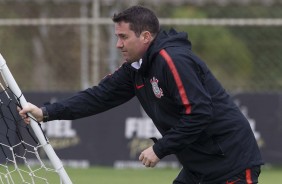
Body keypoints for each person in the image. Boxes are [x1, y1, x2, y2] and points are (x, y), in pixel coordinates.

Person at [19, 5, 263, 184]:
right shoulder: (135, 69)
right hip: (199, 168)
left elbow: (199, 113)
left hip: (232, 164)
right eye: (117, 37)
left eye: (124, 37)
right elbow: (99, 96)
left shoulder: (172, 60)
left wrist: (160, 149)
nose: (118, 45)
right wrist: (46, 112)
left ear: (146, 36)